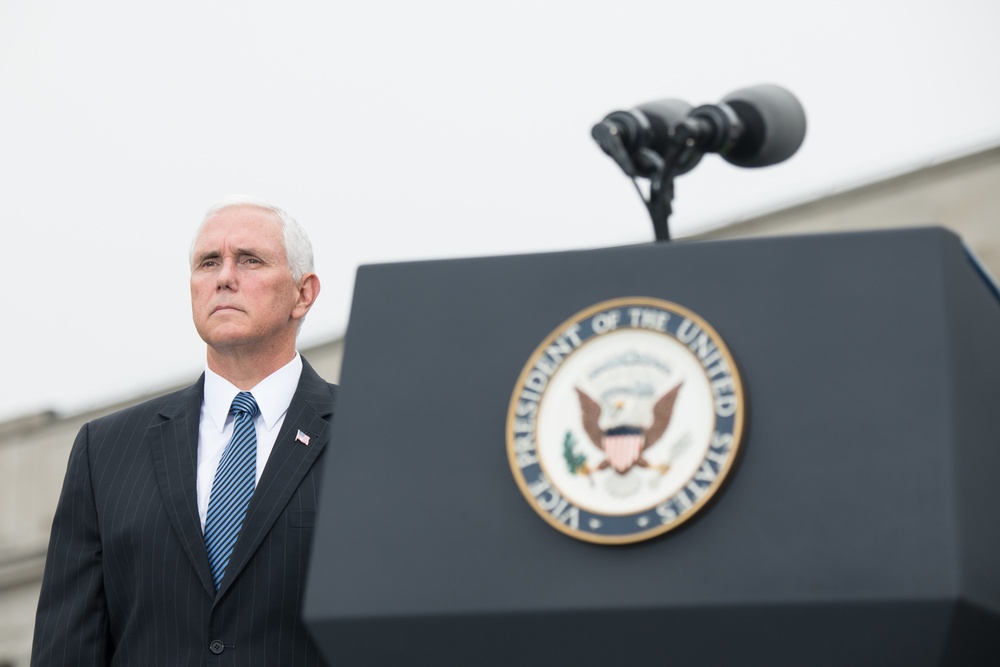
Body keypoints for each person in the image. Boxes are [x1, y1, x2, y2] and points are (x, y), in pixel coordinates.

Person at [31, 197, 334, 666]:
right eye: (208, 262)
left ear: (304, 293)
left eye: (250, 260)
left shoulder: (369, 436)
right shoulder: (105, 451)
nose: (224, 277)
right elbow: (67, 648)